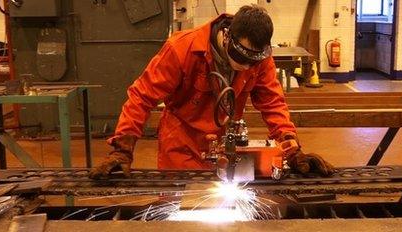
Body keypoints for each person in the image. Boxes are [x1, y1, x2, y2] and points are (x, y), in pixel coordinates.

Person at [89, 5, 334, 179]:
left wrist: (291, 147)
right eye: (240, 58)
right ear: (227, 35)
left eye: (253, 62)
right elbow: (141, 96)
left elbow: (272, 103)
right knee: (179, 211)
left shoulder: (260, 59)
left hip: (227, 144)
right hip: (182, 143)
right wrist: (122, 149)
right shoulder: (182, 49)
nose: (246, 67)